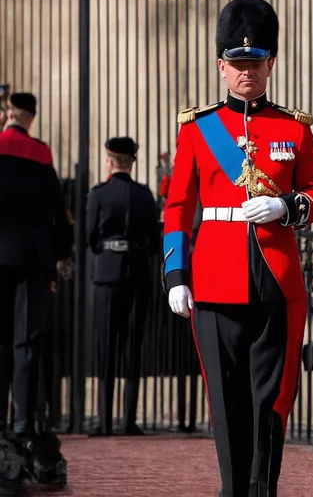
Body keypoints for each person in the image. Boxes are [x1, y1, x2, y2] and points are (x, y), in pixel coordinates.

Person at [163, 0, 313, 497]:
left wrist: (286, 206)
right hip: (213, 284)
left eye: (255, 63)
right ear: (221, 66)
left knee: (270, 399)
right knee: (226, 399)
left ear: (270, 64)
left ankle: (263, 491)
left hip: (274, 282)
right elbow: (177, 207)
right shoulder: (197, 129)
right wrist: (176, 275)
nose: (246, 72)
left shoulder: (293, 127)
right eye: (237, 64)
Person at [0, 92, 73, 486]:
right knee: (27, 344)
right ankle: (23, 423)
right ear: (31, 118)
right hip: (33, 260)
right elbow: (57, 210)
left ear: (9, 114)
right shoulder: (41, 153)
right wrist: (62, 255)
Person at [86, 136, 160, 437]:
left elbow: (90, 238)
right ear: (132, 161)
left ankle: (104, 421)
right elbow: (155, 243)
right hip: (138, 271)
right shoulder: (144, 195)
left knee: (107, 346)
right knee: (133, 344)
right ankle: (129, 420)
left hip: (106, 273)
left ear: (109, 160)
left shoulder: (98, 194)